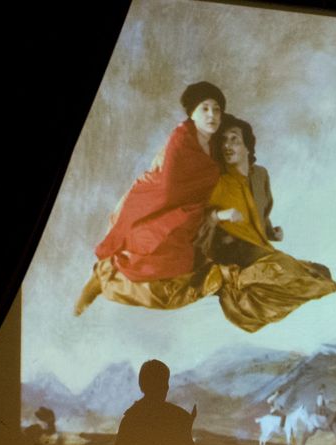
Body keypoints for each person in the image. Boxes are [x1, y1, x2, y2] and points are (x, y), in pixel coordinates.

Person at [74, 81, 227, 315]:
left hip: (186, 209)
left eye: (216, 109)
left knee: (182, 263)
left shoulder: (216, 144)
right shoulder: (182, 136)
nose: (212, 115)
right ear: (192, 113)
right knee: (150, 246)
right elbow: (170, 186)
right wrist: (193, 209)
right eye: (204, 108)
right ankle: (102, 280)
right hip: (154, 198)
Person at [205, 114, 336, 332]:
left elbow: (260, 213)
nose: (227, 145)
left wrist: (271, 232)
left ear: (248, 146)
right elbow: (199, 219)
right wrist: (222, 215)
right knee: (287, 274)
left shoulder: (260, 175)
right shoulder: (219, 182)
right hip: (231, 251)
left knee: (320, 273)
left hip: (257, 246)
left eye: (234, 139)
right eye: (223, 141)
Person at [109, 360, 197, 445]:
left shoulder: (130, 419)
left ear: (142, 385)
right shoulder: (179, 417)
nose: (166, 387)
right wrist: (186, 430)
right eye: (164, 382)